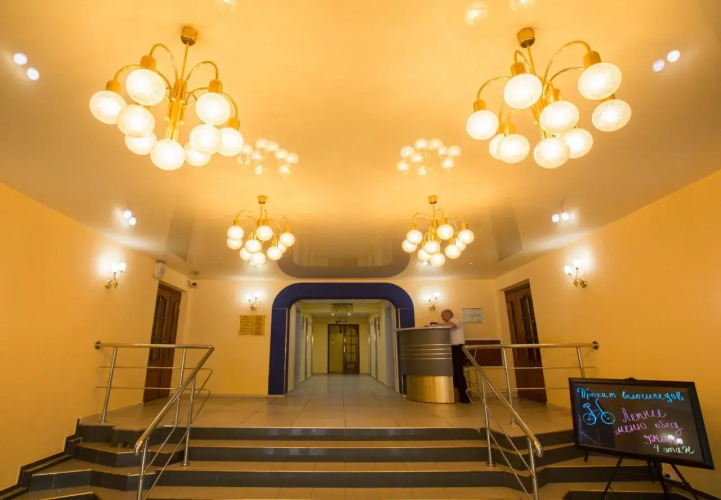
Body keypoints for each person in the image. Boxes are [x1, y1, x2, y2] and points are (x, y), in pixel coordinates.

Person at [437, 309, 471, 404]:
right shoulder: (448, 323)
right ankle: (457, 397)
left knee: (458, 372)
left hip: (458, 348)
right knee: (455, 372)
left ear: (448, 315)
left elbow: (452, 325)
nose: (442, 318)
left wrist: (436, 325)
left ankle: (464, 397)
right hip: (453, 349)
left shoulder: (456, 320)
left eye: (443, 316)